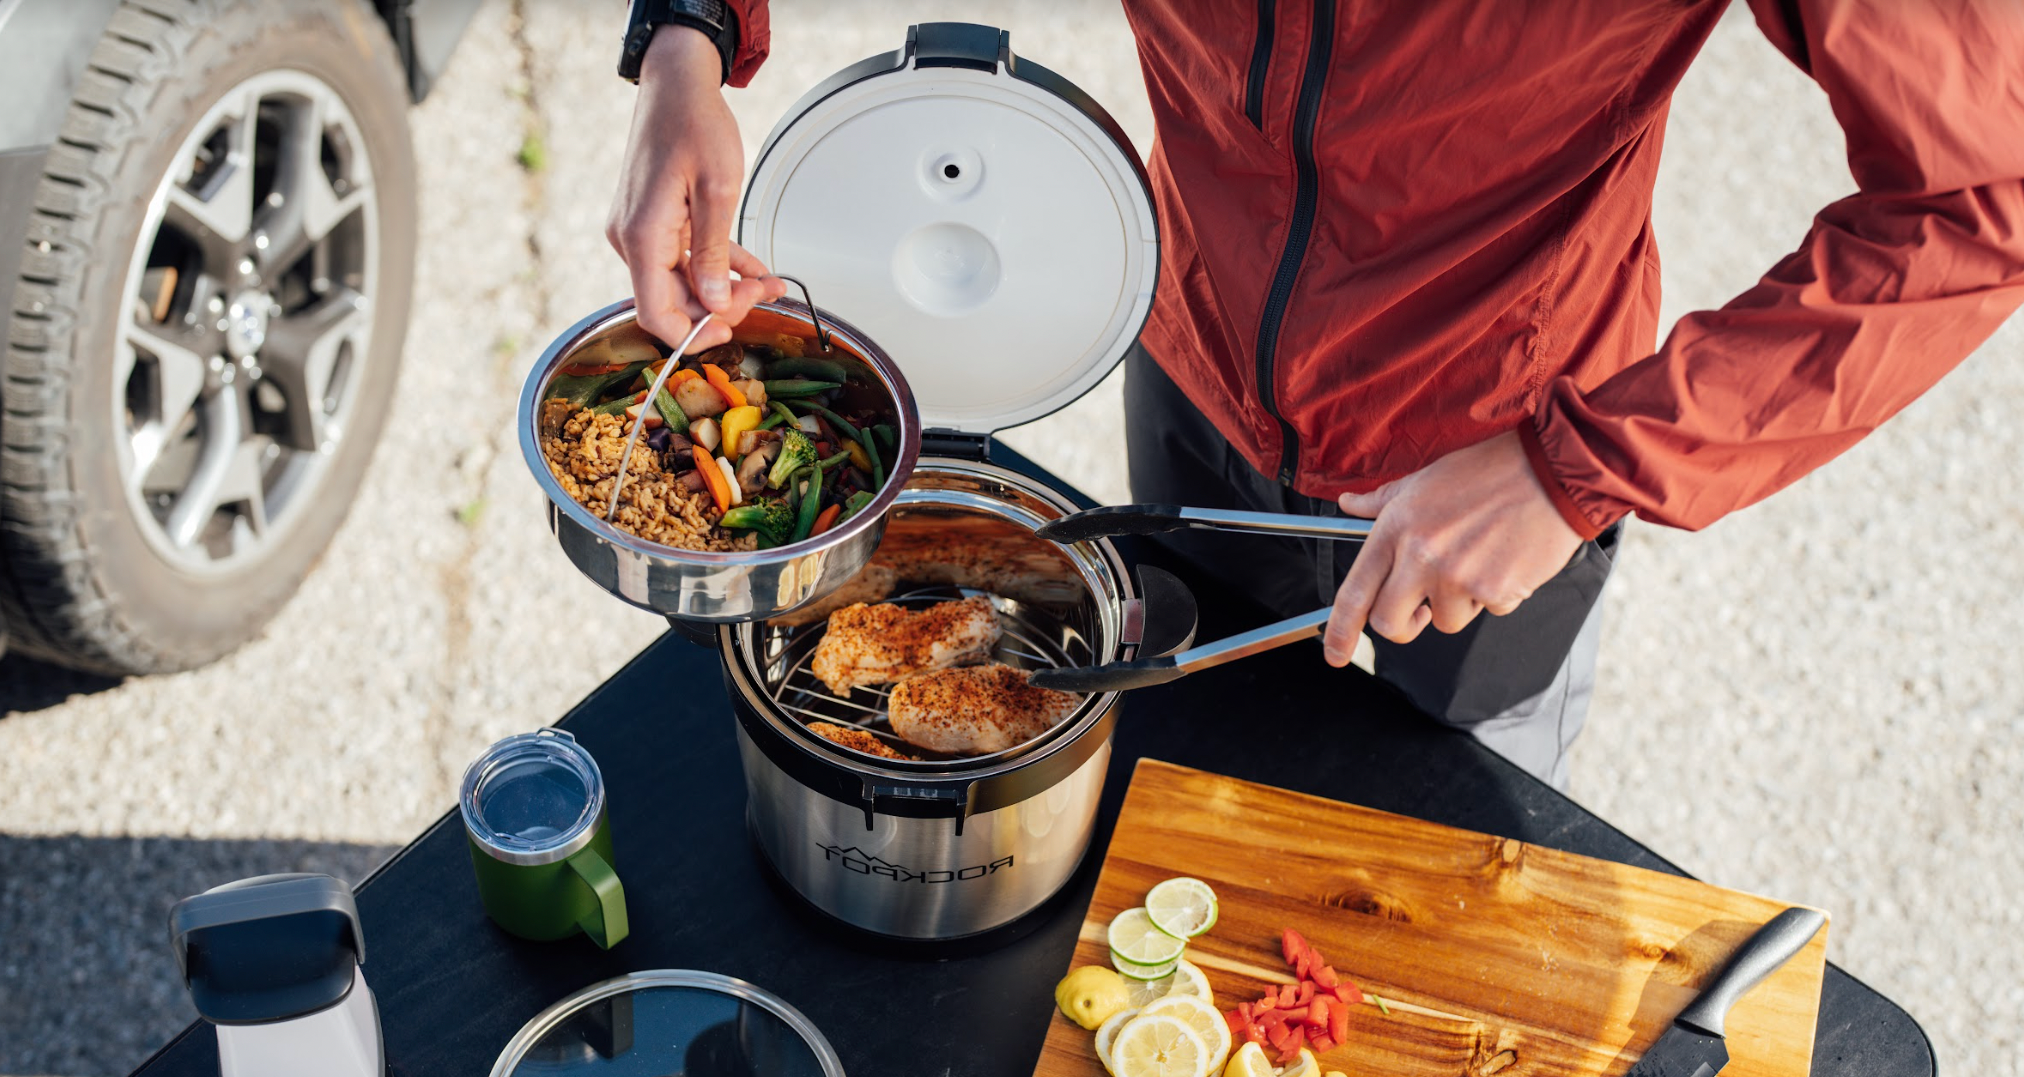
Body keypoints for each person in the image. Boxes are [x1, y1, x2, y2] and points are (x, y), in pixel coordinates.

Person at [605, 1, 2024, 788]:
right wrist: (688, 41)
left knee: (1423, 909)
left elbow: (1986, 193)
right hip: (1190, 352)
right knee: (1149, 825)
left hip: (1483, 473)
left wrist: (1574, 469)